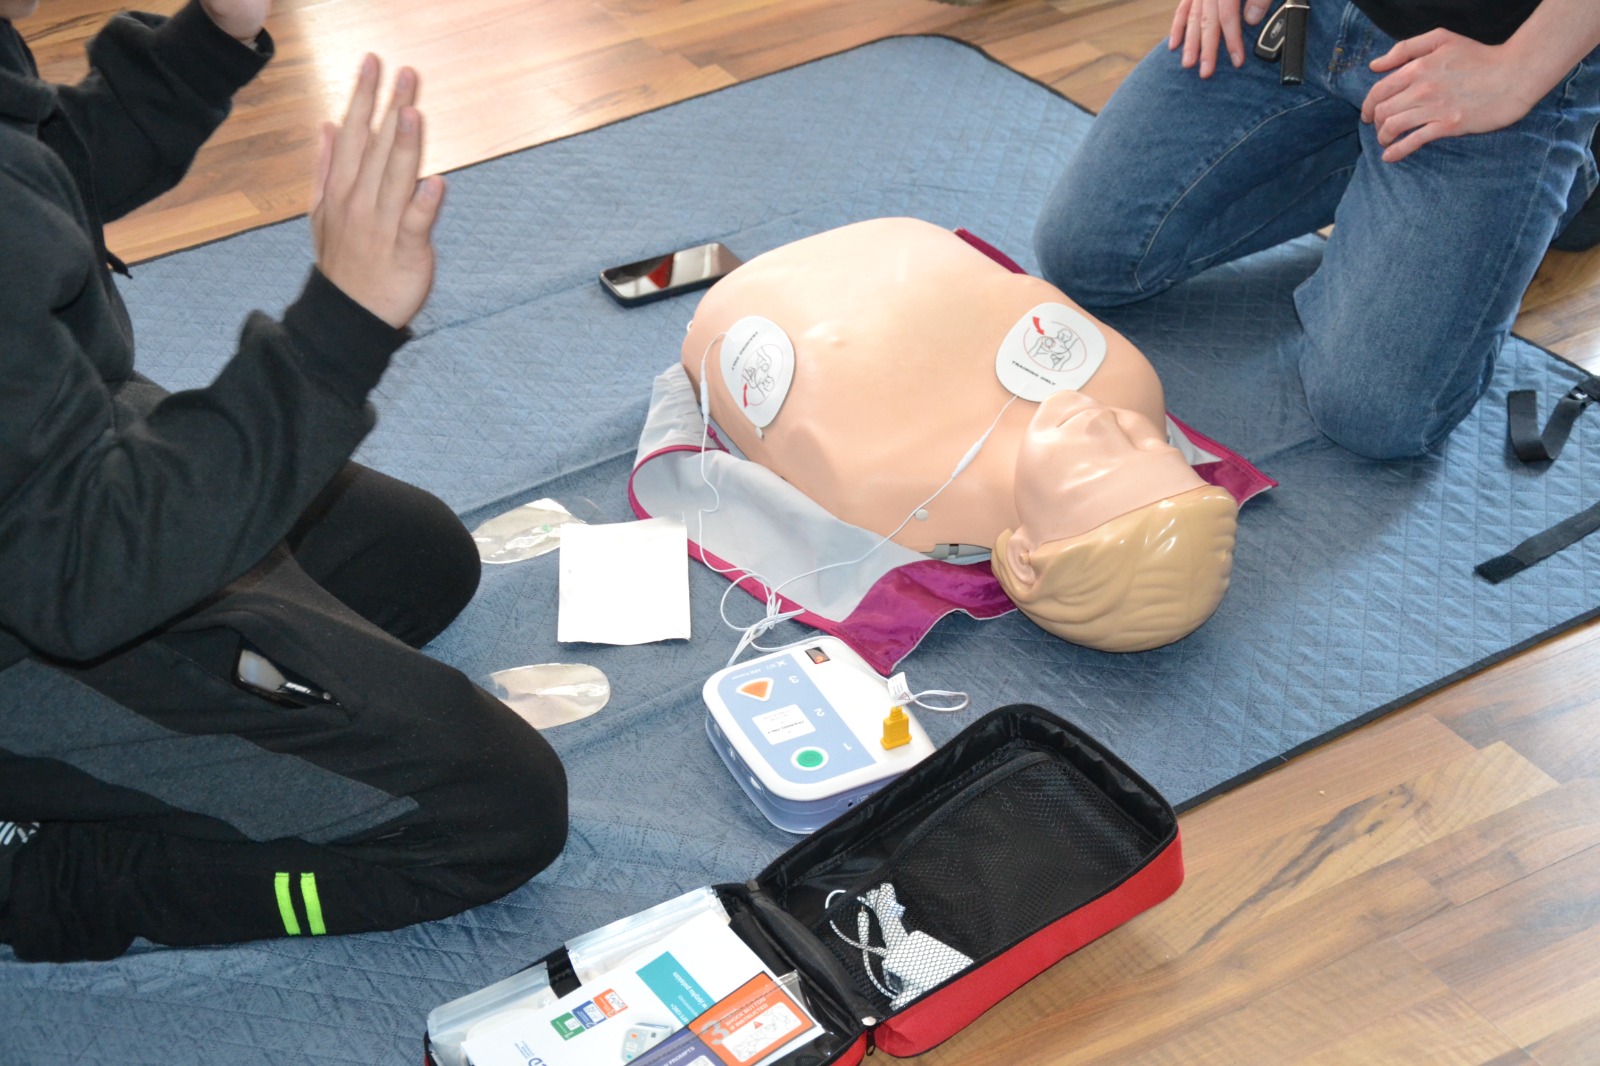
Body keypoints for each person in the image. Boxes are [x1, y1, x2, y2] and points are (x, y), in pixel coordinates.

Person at [0, 0, 566, 962]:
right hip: (59, 586)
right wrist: (338, 329)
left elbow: (48, 175)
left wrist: (208, 38)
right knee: (495, 816)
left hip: (58, 471)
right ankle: (43, 874)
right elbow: (80, 579)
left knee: (423, 561)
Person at [1034, 0, 1600, 460]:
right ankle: (1375, 170)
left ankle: (1553, 179)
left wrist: (1520, 71)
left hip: (1492, 51)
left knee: (1372, 415)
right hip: (1305, 14)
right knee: (1087, 254)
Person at [682, 217, 1238, 653]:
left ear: (1023, 557)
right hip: (903, 241)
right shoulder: (1128, 385)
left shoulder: (883, 477)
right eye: (1154, 445)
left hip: (755, 293)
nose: (1107, 422)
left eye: (1100, 470)